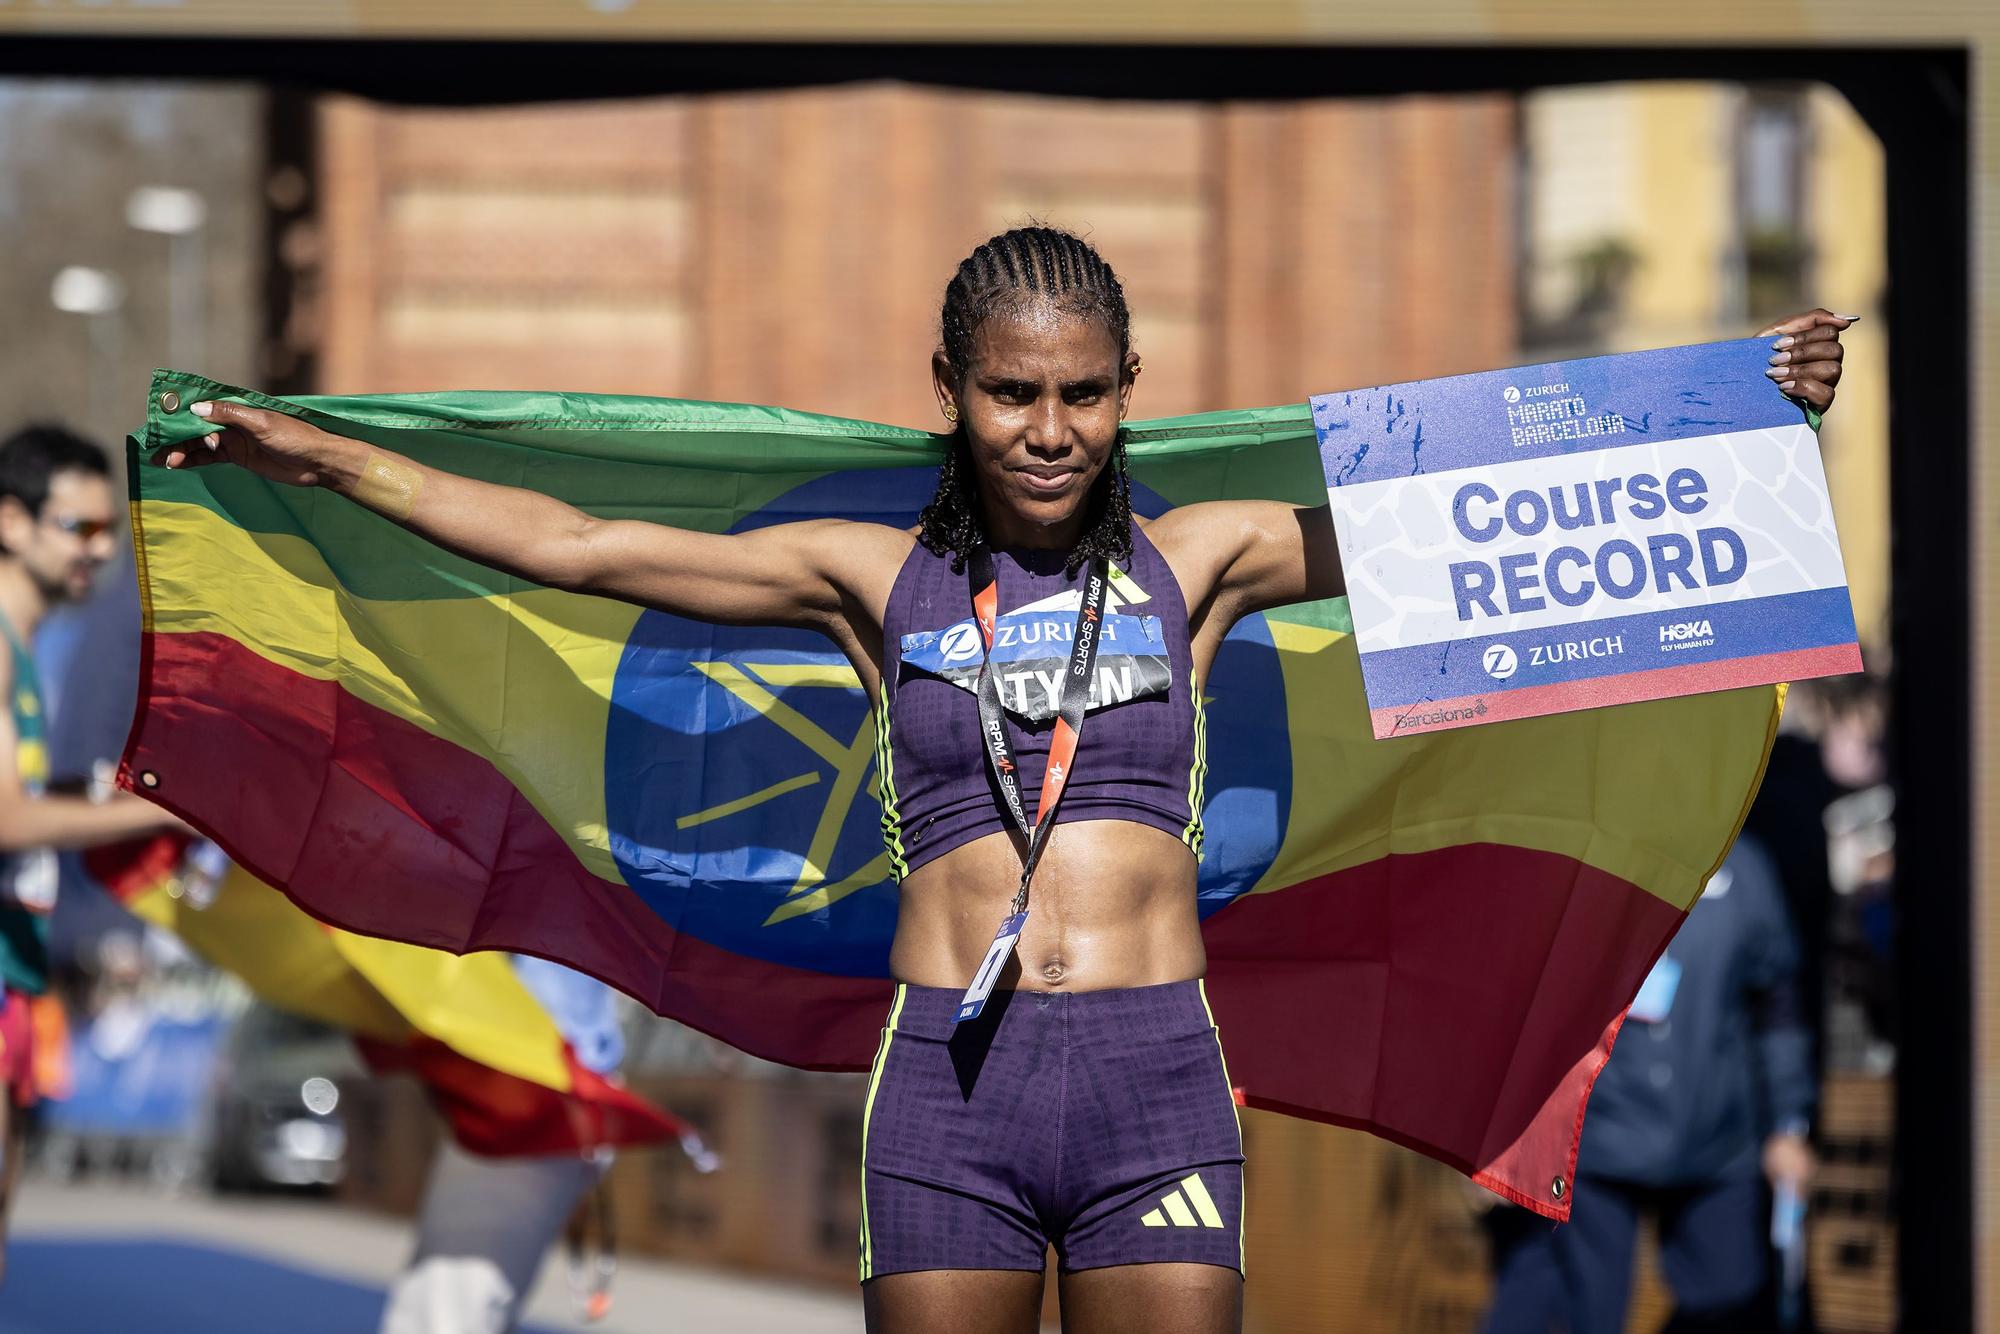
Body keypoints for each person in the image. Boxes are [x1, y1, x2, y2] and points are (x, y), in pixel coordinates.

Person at [162, 227, 1851, 1334]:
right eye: (1013, 391)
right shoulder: (862, 573)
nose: (1050, 426)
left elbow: (1474, 518)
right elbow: (574, 540)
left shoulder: (1210, 557)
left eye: (1085, 392)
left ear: (1129, 396)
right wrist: (298, 446)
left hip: (1157, 1074)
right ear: (955, 395)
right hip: (952, 1085)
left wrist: (1729, 406)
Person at [1479, 833, 1818, 1334]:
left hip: (1715, 1136)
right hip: (1593, 1139)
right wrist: (1502, 1129)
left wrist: (1788, 1123)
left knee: (1728, 1303)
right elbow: (1519, 1004)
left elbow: (1778, 1006)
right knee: (1574, 1306)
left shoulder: (1743, 868)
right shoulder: (1582, 853)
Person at [0, 424, 189, 1281]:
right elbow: (7, 820)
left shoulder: (27, 650)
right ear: (12, 521)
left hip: (19, 977)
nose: (102, 550)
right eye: (80, 529)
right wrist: (164, 818)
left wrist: (151, 798)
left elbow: (40, 802)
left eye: (110, 528)